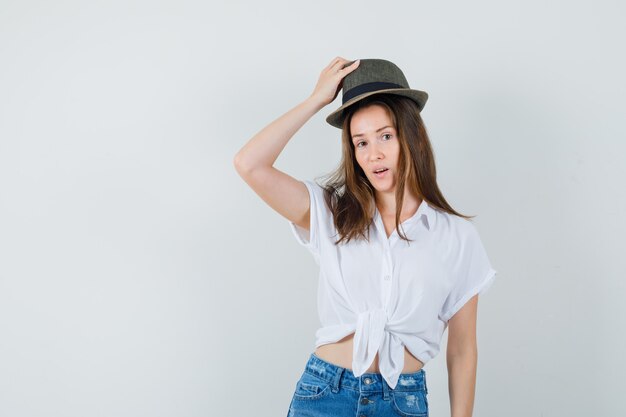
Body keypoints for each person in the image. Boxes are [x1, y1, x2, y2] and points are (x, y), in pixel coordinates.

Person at [233, 57, 497, 417]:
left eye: (385, 136)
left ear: (412, 137)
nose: (374, 155)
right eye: (360, 143)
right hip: (325, 394)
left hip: (401, 402)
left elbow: (463, 349)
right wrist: (315, 100)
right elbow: (249, 164)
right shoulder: (331, 215)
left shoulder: (456, 236)